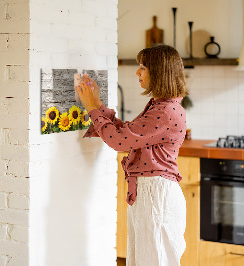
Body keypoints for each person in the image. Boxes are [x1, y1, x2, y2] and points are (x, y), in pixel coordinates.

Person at [76, 44, 188, 266]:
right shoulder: (161, 106)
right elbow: (127, 133)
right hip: (151, 193)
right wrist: (97, 104)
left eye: (143, 67)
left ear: (159, 72)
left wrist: (91, 108)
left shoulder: (165, 111)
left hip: (156, 195)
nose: (137, 72)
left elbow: (119, 141)